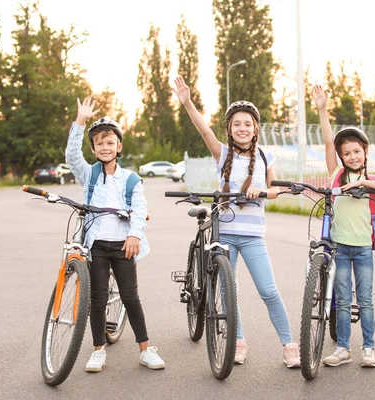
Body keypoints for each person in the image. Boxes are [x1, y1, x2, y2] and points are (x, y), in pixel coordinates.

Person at [172, 76, 300, 368]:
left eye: (247, 124)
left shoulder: (266, 155)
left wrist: (263, 191)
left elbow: (276, 189)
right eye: (236, 124)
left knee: (268, 289)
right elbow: (203, 130)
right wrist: (187, 102)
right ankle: (238, 340)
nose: (242, 128)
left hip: (253, 236)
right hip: (225, 233)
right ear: (229, 129)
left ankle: (289, 344)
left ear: (256, 128)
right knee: (229, 289)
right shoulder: (224, 153)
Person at [65, 97, 165, 372]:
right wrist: (80, 122)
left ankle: (145, 349)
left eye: (110, 142)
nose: (105, 147)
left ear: (119, 146)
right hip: (96, 245)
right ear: (94, 149)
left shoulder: (131, 179)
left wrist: (134, 235)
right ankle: (98, 350)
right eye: (100, 143)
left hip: (123, 245)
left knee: (130, 297)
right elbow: (72, 157)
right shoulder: (90, 175)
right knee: (97, 298)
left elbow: (140, 208)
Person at [311, 84, 375, 368]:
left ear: (365, 151)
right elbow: (327, 141)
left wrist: (361, 182)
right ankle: (344, 348)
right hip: (341, 247)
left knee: (367, 300)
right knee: (344, 300)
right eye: (347, 153)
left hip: (363, 249)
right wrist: (323, 109)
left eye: (356, 151)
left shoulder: (371, 180)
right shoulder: (336, 175)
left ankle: (368, 348)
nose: (352, 157)